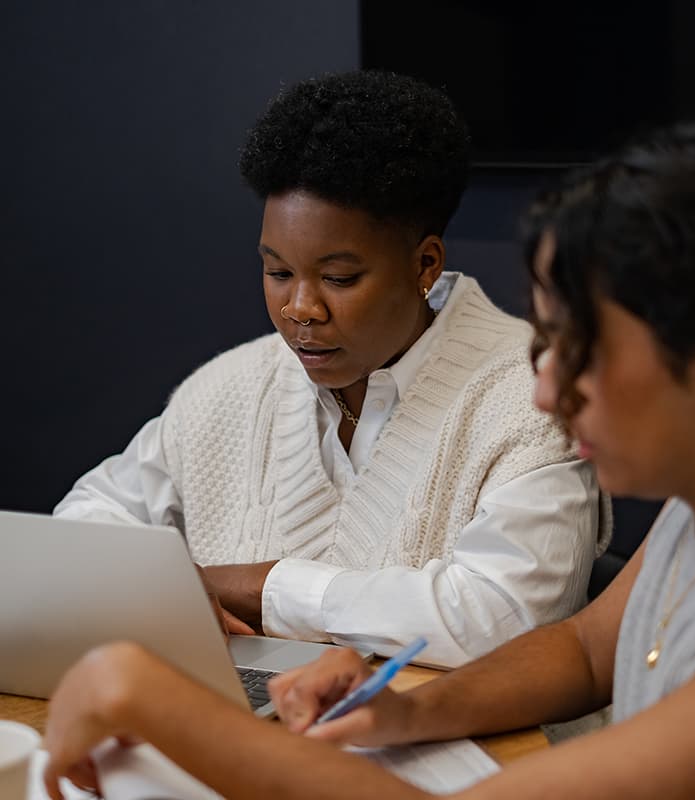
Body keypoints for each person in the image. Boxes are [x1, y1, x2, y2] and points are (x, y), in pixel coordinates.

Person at [43, 122, 695, 798]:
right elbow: (585, 649)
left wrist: (144, 696)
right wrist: (406, 709)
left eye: (579, 349)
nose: (543, 389)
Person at [53, 70, 606, 668]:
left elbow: (502, 617)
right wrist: (152, 589)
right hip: (230, 727)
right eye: (278, 272)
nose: (299, 310)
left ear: (425, 264)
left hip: (445, 744)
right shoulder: (232, 387)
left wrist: (264, 587)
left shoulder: (533, 397)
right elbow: (84, 529)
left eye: (339, 279)